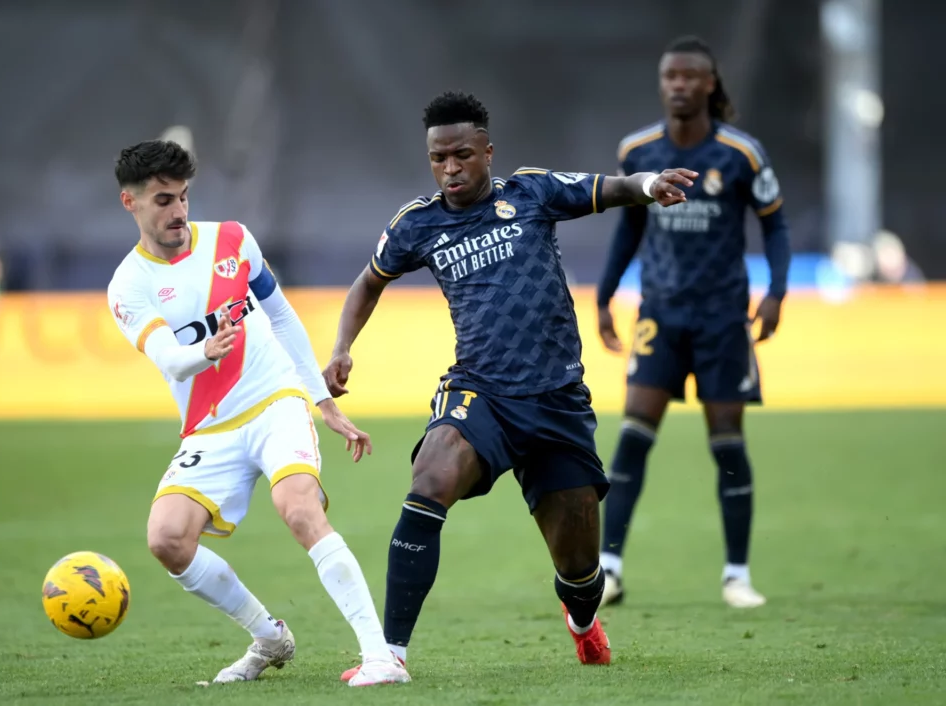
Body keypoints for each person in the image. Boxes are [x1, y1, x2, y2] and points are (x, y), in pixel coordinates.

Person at [322, 91, 695, 677]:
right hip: (480, 391)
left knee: (580, 571)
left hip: (556, 399)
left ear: (488, 152)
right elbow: (369, 282)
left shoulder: (531, 193)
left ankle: (581, 620)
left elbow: (613, 188)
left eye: (462, 155)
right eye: (439, 158)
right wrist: (342, 347)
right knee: (431, 479)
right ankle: (389, 654)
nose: (450, 169)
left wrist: (650, 185)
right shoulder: (416, 224)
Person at [106, 140, 409, 687]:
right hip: (209, 426)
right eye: (163, 200)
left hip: (275, 401)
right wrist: (206, 350)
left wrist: (321, 401)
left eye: (184, 197)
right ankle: (269, 636)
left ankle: (381, 657)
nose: (178, 211)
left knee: (298, 508)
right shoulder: (128, 285)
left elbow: (283, 317)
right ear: (131, 202)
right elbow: (170, 360)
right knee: (167, 538)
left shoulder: (232, 239)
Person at [595, 36, 791, 609]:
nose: (678, 84)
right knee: (633, 434)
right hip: (660, 313)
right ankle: (609, 570)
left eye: (688, 76)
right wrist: (604, 296)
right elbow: (629, 227)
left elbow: (775, 225)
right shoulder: (638, 151)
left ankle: (737, 576)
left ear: (709, 84)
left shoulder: (740, 154)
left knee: (727, 440)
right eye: (669, 76)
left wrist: (777, 292)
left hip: (723, 317)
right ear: (662, 84)